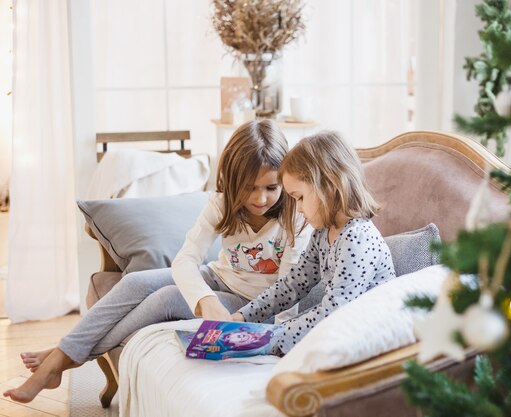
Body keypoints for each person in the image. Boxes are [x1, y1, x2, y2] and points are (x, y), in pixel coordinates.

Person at [3, 119, 311, 403]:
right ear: (231, 181)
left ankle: (60, 359)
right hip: (219, 277)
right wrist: (204, 299)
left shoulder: (294, 217)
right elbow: (185, 260)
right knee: (136, 281)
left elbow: (286, 291)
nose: (260, 198)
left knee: (166, 298)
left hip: (255, 301)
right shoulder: (221, 205)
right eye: (249, 188)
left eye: (271, 188)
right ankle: (64, 354)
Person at [231, 131, 396, 355]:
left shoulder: (357, 237)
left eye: (299, 197)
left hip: (367, 335)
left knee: (279, 339)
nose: (298, 208)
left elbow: (336, 310)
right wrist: (244, 315)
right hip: (340, 328)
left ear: (329, 186)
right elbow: (294, 284)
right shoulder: (323, 233)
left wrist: (274, 338)